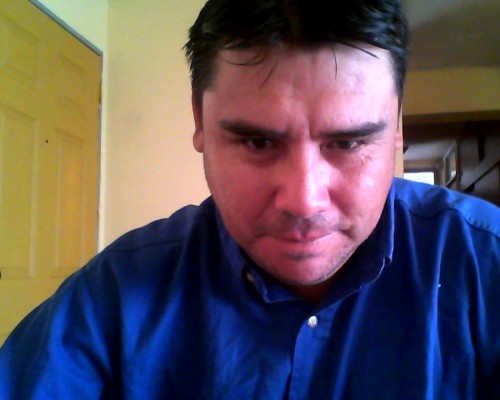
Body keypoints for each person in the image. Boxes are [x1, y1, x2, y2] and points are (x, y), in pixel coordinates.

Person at [1, 0, 499, 398]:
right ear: (200, 120)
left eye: (348, 143)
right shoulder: (114, 293)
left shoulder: (486, 263)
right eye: (259, 142)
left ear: (397, 127)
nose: (304, 202)